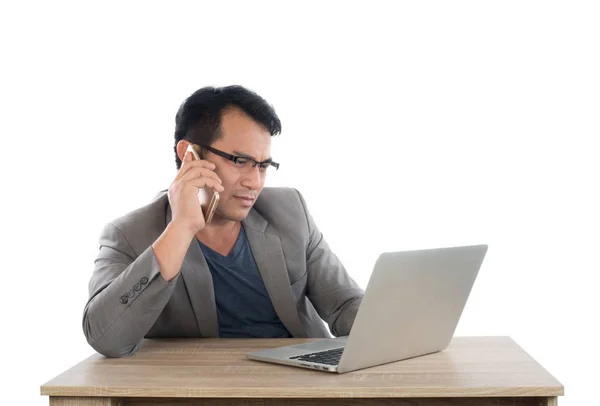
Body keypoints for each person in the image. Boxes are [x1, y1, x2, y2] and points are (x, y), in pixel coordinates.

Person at [82, 85, 364, 357]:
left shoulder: (290, 211)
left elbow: (344, 304)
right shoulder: (130, 234)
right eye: (239, 161)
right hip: (208, 389)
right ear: (188, 155)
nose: (254, 182)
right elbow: (106, 338)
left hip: (303, 384)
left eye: (263, 165)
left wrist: (393, 323)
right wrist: (181, 228)